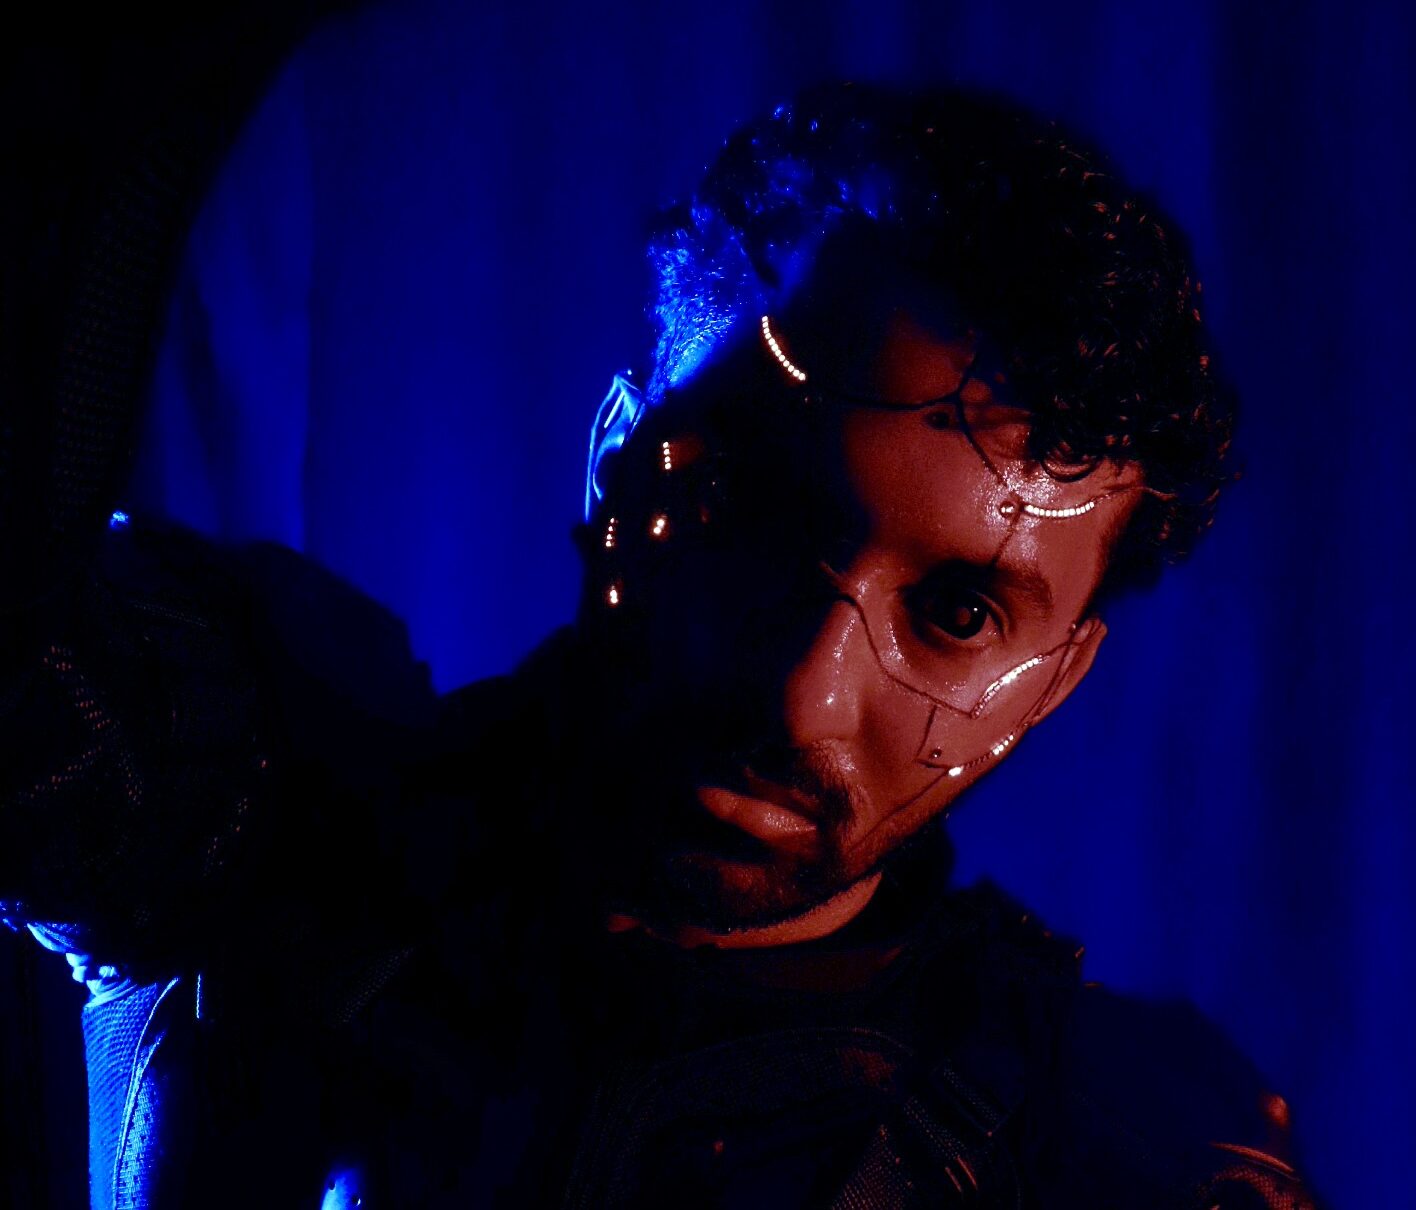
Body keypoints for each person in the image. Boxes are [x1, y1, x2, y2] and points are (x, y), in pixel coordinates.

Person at [1, 82, 1319, 1207]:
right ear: (613, 457)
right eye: (761, 515)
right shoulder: (246, 788)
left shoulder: (1112, 1151)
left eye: (958, 614)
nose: (804, 693)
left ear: (1055, 682)